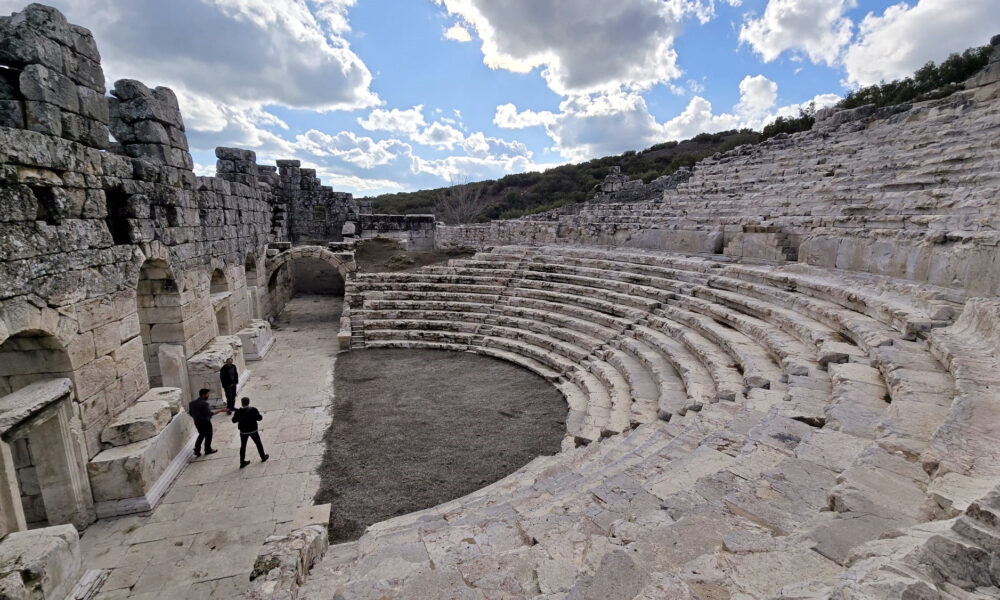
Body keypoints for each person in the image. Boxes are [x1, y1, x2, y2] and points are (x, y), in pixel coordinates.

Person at [232, 397, 269, 468]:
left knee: (243, 446)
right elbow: (259, 418)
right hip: (253, 430)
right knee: (258, 443)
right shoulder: (253, 409)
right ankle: (263, 457)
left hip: (243, 432)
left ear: (242, 403)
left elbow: (233, 420)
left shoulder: (238, 411)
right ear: (248, 402)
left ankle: (242, 462)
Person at [189, 388, 217, 457]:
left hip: (197, 422)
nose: (208, 396)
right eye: (207, 394)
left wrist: (196, 417)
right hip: (205, 422)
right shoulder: (205, 403)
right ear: (203, 395)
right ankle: (207, 449)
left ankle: (197, 449)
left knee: (201, 434)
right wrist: (217, 412)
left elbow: (190, 413)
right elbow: (209, 413)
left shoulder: (192, 403)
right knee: (209, 435)